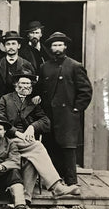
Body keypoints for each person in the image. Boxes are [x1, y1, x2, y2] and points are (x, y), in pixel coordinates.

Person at [0, 71, 81, 209]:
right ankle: (56, 186)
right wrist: (18, 133)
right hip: (8, 140)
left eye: (28, 84)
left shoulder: (32, 102)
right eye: (22, 83)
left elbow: (46, 122)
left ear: (31, 87)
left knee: (31, 162)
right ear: (16, 86)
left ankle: (24, 202)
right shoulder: (6, 99)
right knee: (38, 147)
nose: (25, 86)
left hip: (25, 142)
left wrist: (32, 127)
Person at [37, 32, 92, 186]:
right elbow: (40, 90)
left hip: (67, 115)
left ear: (65, 46)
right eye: (54, 45)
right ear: (50, 48)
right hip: (50, 115)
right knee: (50, 147)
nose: (57, 48)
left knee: (68, 148)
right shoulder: (44, 67)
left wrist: (75, 109)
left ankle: (72, 183)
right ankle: (53, 182)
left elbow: (85, 91)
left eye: (60, 44)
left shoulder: (75, 66)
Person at [0, 31, 35, 107]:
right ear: (4, 47)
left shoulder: (27, 65)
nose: (11, 47)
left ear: (19, 46)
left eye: (13, 44)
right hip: (1, 107)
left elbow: (32, 88)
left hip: (21, 107)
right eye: (8, 44)